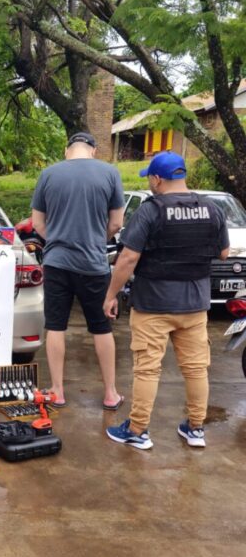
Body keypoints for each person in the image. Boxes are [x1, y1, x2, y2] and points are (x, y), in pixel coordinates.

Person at [103, 151, 229, 450]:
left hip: (153, 305)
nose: (149, 183)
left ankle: (137, 430)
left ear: (158, 179)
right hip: (196, 304)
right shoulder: (211, 209)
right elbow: (223, 253)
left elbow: (128, 258)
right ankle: (196, 428)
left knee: (147, 369)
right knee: (196, 369)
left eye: (150, 178)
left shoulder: (151, 210)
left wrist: (110, 295)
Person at [31, 132, 125, 409]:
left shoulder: (48, 174)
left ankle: (57, 391)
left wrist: (58, 240)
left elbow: (37, 223)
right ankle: (110, 393)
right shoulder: (110, 173)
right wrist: (96, 241)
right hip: (94, 265)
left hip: (57, 263)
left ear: (66, 150)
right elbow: (117, 223)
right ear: (94, 150)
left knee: (56, 326)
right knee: (101, 327)